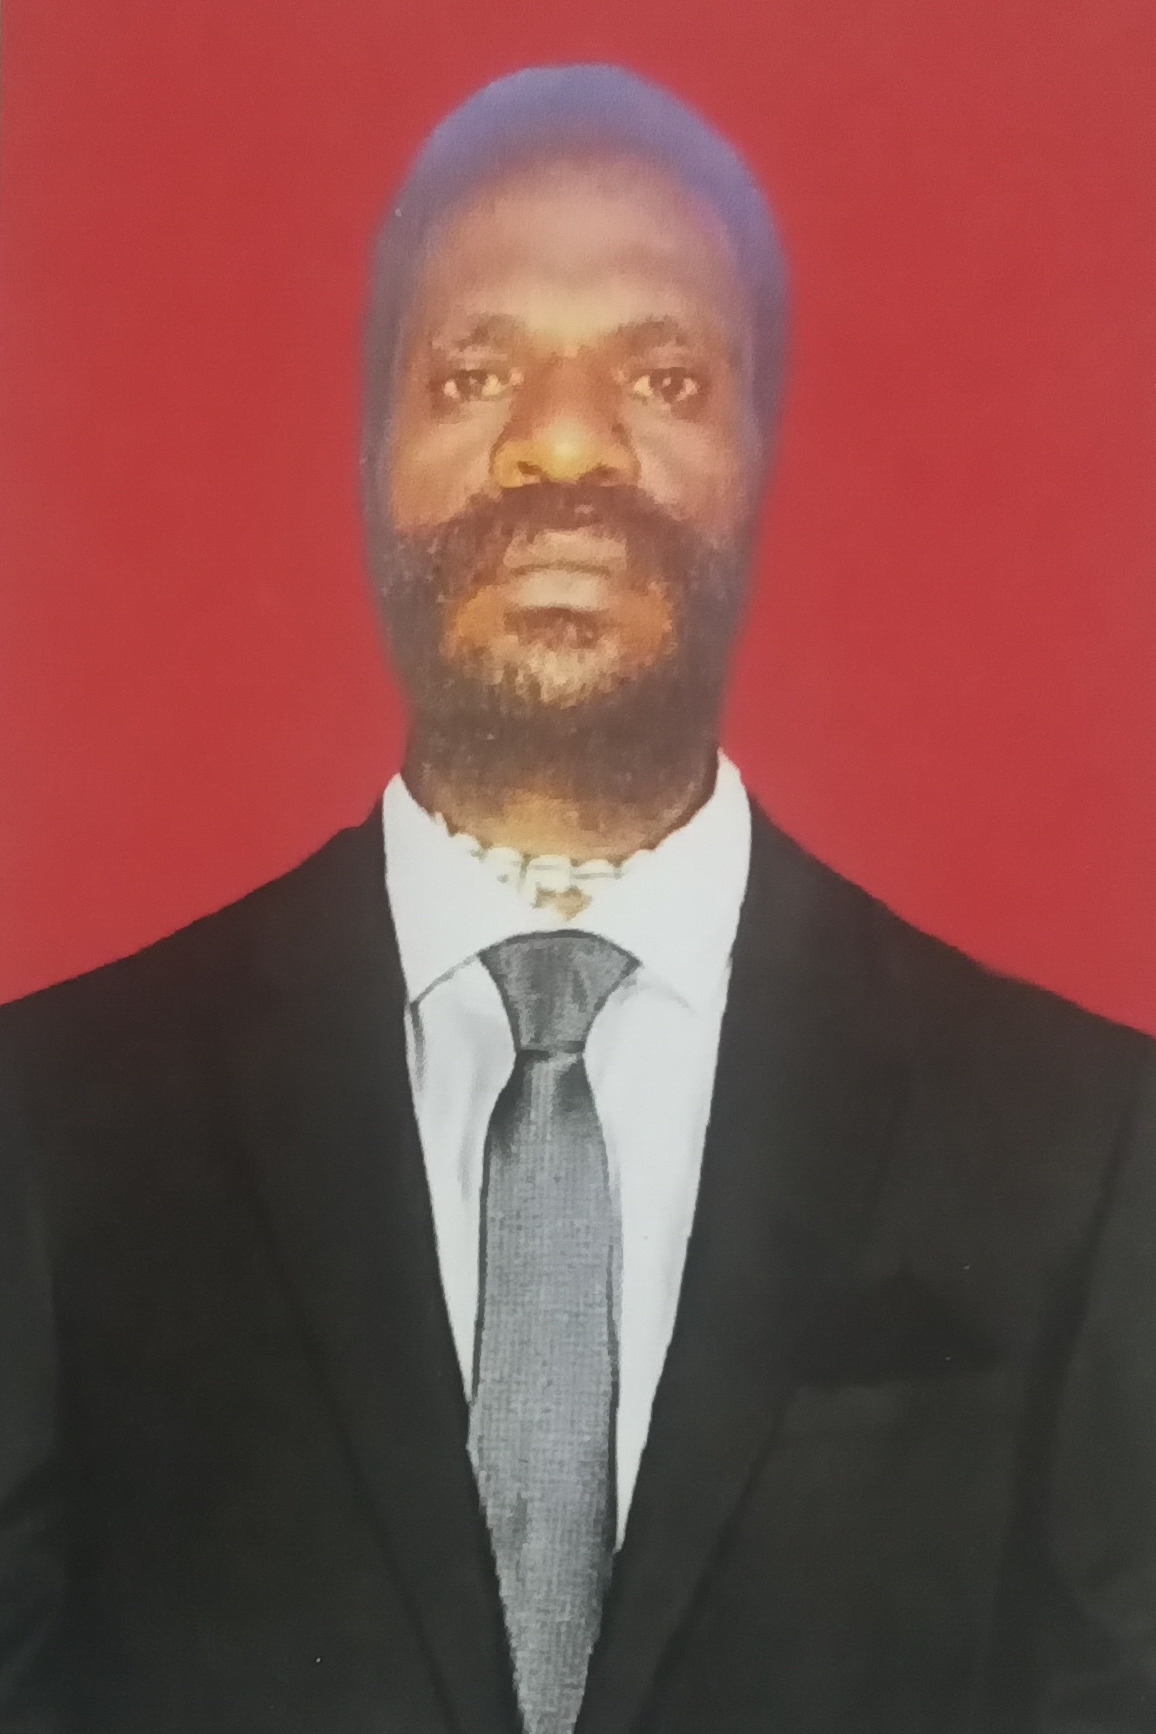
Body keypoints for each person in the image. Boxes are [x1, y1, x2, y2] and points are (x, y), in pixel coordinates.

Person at [1, 62, 1154, 1734]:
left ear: (759, 456)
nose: (560, 439)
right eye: (475, 372)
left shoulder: (1083, 1145)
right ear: (371, 452)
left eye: (663, 375)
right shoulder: (49, 1129)